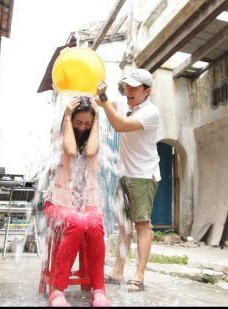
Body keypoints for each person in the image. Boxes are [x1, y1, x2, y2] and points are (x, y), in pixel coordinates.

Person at [95, 69, 160, 292]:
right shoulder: (125, 105)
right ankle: (117, 272)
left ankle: (139, 277)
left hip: (143, 175)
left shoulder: (151, 112)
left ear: (147, 91)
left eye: (134, 87)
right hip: (125, 175)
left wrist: (103, 101)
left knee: (141, 224)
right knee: (123, 226)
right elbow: (100, 101)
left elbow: (120, 125)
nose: (128, 90)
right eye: (126, 86)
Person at [45, 97, 110, 307]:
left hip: (86, 204)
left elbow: (90, 152)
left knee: (94, 224)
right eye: (78, 122)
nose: (82, 127)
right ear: (70, 120)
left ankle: (99, 290)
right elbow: (71, 151)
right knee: (77, 222)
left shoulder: (95, 139)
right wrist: (66, 116)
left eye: (87, 124)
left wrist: (98, 118)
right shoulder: (59, 134)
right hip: (57, 203)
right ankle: (57, 291)